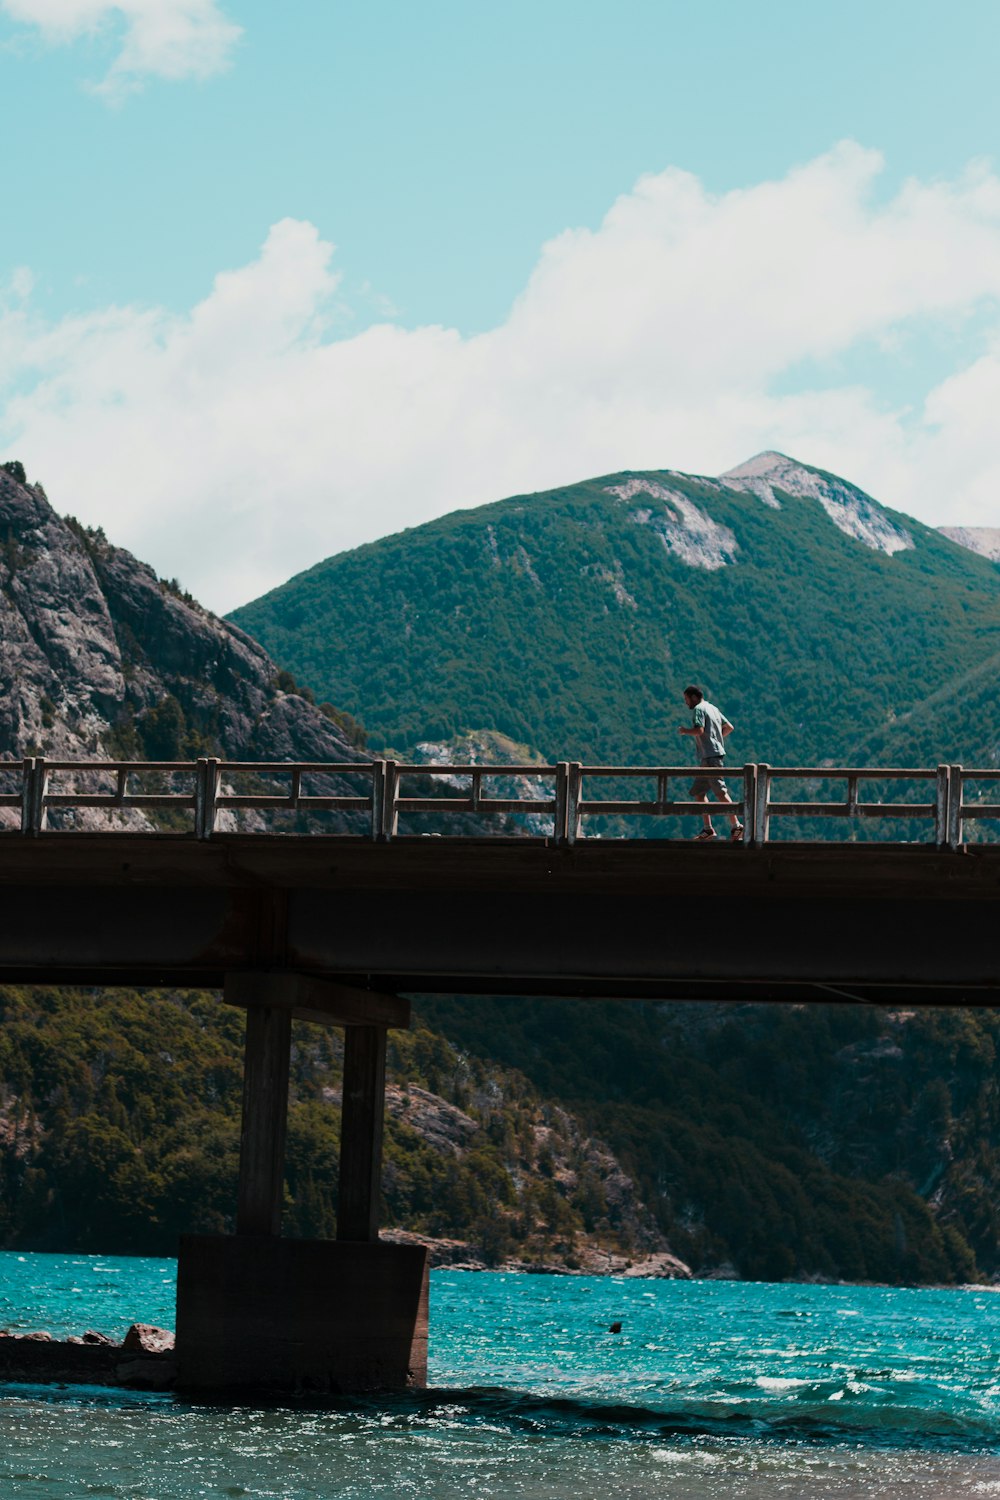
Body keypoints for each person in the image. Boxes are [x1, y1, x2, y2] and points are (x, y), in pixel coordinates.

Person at [678, 685, 743, 842]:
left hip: (710, 757)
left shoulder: (699, 710)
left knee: (720, 792)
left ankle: (737, 826)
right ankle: (708, 829)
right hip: (710, 756)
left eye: (687, 699)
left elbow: (699, 730)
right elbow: (729, 727)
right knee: (699, 793)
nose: (686, 703)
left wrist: (684, 731)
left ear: (694, 697)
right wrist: (716, 739)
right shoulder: (712, 708)